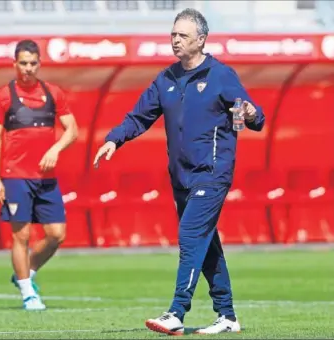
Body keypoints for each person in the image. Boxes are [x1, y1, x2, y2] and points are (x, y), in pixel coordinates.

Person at [93, 8, 265, 335]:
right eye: (173, 34)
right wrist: (114, 139)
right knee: (206, 244)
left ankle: (177, 311)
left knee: (189, 236)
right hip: (181, 178)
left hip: (212, 173)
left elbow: (253, 116)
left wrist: (252, 115)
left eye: (182, 35)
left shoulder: (221, 76)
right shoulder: (166, 79)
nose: (175, 40)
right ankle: (227, 316)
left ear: (201, 40)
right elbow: (138, 116)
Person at [0, 39, 78, 311]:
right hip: (15, 176)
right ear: (14, 64)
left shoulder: (53, 93)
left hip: (45, 179)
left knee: (57, 235)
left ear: (39, 63)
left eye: (33, 63)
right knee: (22, 236)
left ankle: (25, 273)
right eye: (23, 63)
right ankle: (28, 293)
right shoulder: (3, 95)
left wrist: (56, 148)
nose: (28, 68)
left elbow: (72, 130)